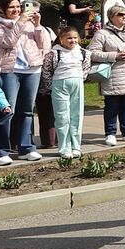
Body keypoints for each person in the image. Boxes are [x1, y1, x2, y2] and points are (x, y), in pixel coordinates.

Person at [0, 0, 53, 162]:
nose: (16, 10)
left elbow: (44, 44)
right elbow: (7, 43)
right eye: (11, 7)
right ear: (1, 9)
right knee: (7, 110)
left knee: (27, 111)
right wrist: (20, 22)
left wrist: (38, 25)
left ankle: (26, 148)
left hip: (32, 70)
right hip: (10, 71)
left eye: (18, 7)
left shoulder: (29, 24)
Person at [88, 3, 125, 146]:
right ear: (111, 17)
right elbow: (92, 53)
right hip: (113, 75)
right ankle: (110, 133)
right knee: (112, 106)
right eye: (120, 15)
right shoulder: (102, 33)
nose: (124, 17)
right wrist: (114, 55)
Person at [41, 27, 90, 158]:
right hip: (59, 84)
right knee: (63, 117)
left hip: (77, 83)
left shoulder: (84, 53)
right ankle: (64, 147)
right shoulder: (54, 53)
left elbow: (85, 69)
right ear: (61, 39)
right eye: (69, 38)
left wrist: (79, 79)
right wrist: (51, 86)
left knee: (77, 115)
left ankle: (76, 146)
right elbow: (46, 72)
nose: (72, 40)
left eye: (75, 38)